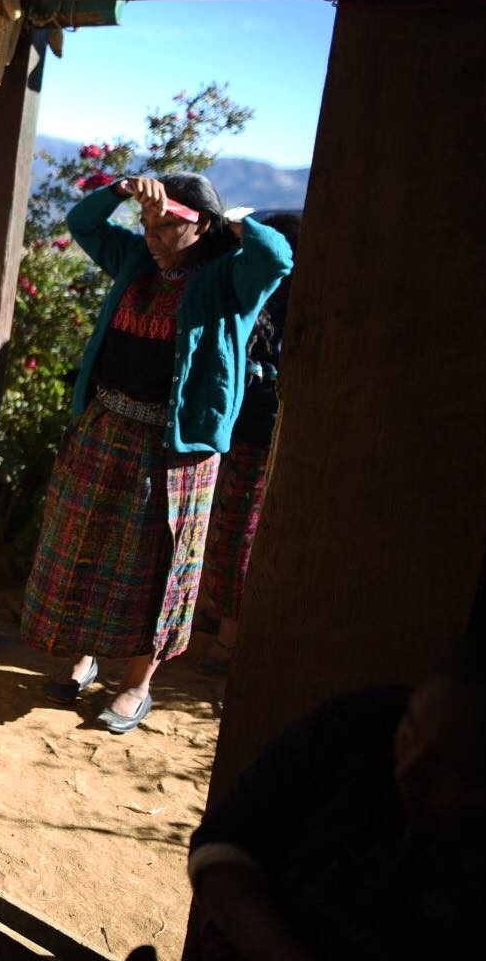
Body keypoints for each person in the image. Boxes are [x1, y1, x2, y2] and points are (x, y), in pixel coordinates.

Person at [20, 174, 293, 733]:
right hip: (108, 426)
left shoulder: (229, 281)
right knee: (84, 546)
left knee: (156, 568)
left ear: (203, 224)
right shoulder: (134, 262)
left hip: (175, 450)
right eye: (149, 224)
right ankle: (84, 657)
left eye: (169, 224)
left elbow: (278, 257)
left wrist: (238, 223)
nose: (155, 235)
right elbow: (83, 222)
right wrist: (124, 190)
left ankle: (137, 684)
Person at [188, 641, 486, 958]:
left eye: (447, 766)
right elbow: (224, 842)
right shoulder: (359, 727)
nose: (408, 770)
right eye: (409, 731)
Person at [196, 213, 300, 676]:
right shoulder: (254, 293)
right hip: (229, 426)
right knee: (219, 525)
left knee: (238, 531)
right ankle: (217, 615)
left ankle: (230, 633)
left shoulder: (289, 299)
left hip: (257, 431)